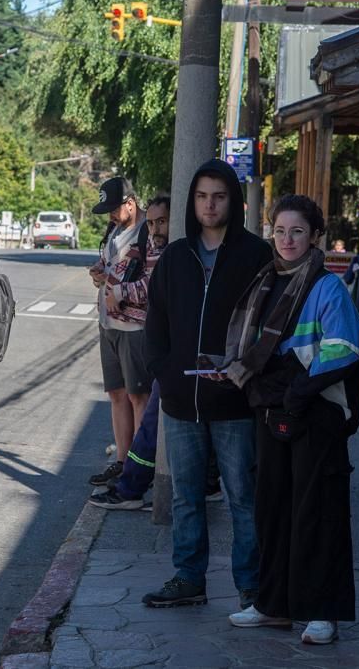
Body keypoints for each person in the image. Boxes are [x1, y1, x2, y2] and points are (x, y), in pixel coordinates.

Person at [221, 194, 359, 645]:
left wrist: (297, 392)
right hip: (272, 408)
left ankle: (322, 611)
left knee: (316, 510)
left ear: (315, 236)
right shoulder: (266, 280)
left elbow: (344, 350)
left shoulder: (328, 287)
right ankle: (274, 605)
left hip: (315, 410)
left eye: (297, 231)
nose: (287, 239)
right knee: (274, 508)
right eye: (280, 231)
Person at [142, 159, 273, 609]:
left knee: (242, 495)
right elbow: (155, 320)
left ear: (232, 200)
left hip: (234, 400)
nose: (209, 204)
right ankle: (188, 577)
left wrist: (246, 371)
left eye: (218, 196)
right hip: (181, 400)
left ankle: (251, 584)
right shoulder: (176, 256)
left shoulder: (256, 255)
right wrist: (164, 371)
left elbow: (269, 325)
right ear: (192, 202)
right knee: (186, 496)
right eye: (201, 196)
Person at [88, 196, 223, 510]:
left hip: (190, 349)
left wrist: (120, 290)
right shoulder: (148, 244)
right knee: (163, 420)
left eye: (162, 221)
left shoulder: (184, 251)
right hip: (168, 346)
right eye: (151, 223)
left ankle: (134, 486)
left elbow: (154, 287)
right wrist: (108, 278)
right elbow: (126, 272)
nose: (156, 229)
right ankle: (139, 481)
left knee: (154, 418)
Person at [87, 178, 154, 487]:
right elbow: (109, 263)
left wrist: (123, 291)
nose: (111, 216)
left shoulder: (148, 233)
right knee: (116, 394)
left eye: (114, 209)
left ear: (130, 203)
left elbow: (155, 281)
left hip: (134, 327)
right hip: (108, 324)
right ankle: (122, 461)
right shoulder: (115, 231)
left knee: (138, 396)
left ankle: (141, 467)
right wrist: (99, 272)